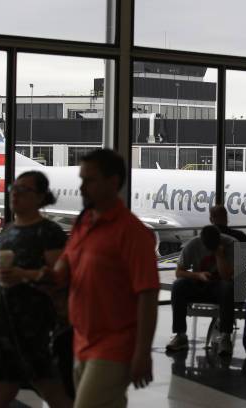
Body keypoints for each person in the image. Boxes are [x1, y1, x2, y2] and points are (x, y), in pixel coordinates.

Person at [51, 149, 159, 408]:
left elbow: (148, 295)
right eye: (82, 179)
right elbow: (63, 270)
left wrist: (142, 353)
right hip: (81, 340)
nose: (82, 188)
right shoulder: (84, 222)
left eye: (90, 180)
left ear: (113, 182)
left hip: (113, 346)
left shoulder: (132, 232)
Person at [0, 171, 73, 408]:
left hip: (32, 328)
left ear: (41, 198)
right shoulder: (9, 231)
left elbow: (60, 278)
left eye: (25, 190)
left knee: (49, 387)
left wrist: (25, 275)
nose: (15, 194)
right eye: (14, 189)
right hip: (2, 328)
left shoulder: (48, 232)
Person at [166, 225, 237, 356]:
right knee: (178, 286)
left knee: (228, 287)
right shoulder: (193, 245)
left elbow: (226, 277)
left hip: (220, 286)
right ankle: (180, 334)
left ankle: (225, 336)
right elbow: (179, 272)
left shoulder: (231, 244)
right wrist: (198, 275)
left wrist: (219, 255)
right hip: (199, 283)